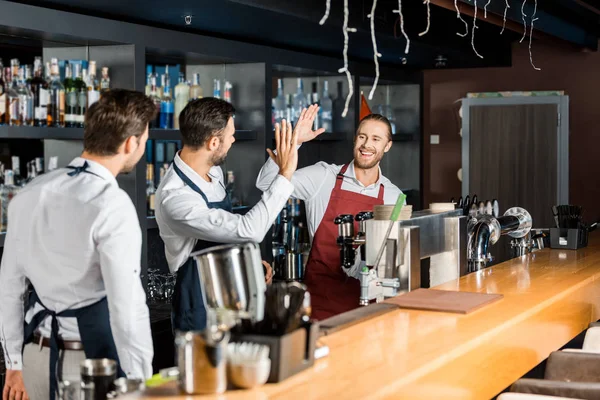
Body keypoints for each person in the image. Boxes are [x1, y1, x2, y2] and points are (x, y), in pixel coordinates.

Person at [0, 89, 156, 400]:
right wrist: (140, 380)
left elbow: (9, 287)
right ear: (130, 143)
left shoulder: (31, 191)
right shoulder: (112, 203)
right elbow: (126, 307)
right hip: (88, 365)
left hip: (34, 359)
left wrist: (14, 363)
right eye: (145, 140)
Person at [155, 97, 298, 333]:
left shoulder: (213, 171)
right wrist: (287, 173)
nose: (233, 139)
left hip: (231, 290)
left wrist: (245, 263)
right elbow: (248, 230)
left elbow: (227, 231)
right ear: (213, 142)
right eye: (231, 134)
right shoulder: (177, 198)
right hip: (200, 304)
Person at [256, 106, 404, 320]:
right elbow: (265, 183)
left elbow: (395, 260)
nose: (367, 145)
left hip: (371, 308)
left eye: (376, 139)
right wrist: (295, 142)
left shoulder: (395, 197)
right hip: (321, 303)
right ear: (355, 140)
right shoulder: (324, 176)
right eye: (362, 137)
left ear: (387, 146)